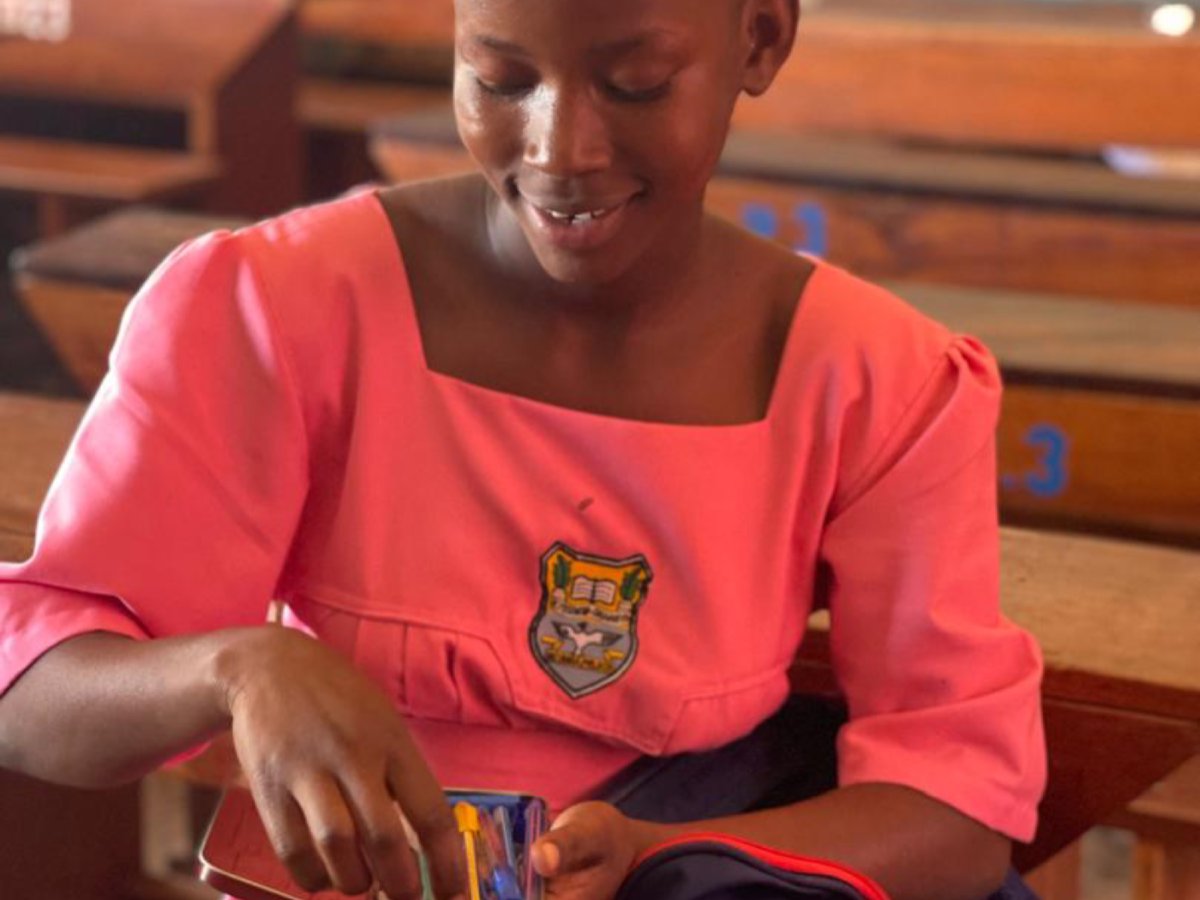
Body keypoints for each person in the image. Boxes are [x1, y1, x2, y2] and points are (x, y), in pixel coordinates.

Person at [0, 1, 1045, 899]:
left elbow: (957, 809)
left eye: (637, 83)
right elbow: (36, 686)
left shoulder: (877, 383)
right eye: (499, 77)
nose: (558, 149)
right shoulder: (278, 307)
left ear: (761, 39)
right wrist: (237, 669)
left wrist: (662, 855)